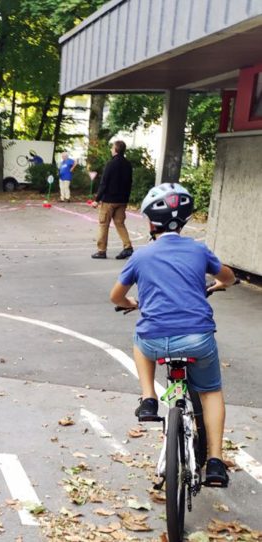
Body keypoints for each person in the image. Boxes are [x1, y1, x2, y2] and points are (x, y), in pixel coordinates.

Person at [110, 182, 236, 488]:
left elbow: (116, 296)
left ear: (152, 223)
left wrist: (131, 303)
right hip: (198, 339)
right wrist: (218, 285)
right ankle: (216, 462)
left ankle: (149, 398)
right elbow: (228, 277)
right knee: (210, 393)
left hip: (155, 341)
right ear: (186, 219)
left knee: (140, 341)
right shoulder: (198, 249)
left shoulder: (141, 256)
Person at [91, 140, 133, 259]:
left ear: (115, 149)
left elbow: (104, 183)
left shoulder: (111, 164)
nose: (111, 149)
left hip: (109, 200)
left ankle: (101, 250)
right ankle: (127, 246)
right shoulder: (127, 164)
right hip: (122, 200)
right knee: (120, 223)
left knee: (103, 224)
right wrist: (126, 198)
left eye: (112, 148)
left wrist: (97, 199)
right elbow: (130, 182)